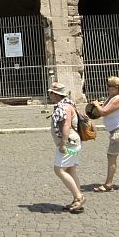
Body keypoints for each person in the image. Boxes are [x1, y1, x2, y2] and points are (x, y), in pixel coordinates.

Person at [48, 82, 84, 213]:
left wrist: (63, 143)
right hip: (75, 143)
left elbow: (66, 125)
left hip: (69, 143)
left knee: (59, 169)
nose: (50, 95)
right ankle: (76, 199)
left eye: (51, 93)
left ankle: (79, 197)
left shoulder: (64, 107)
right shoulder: (69, 104)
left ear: (55, 94)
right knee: (70, 170)